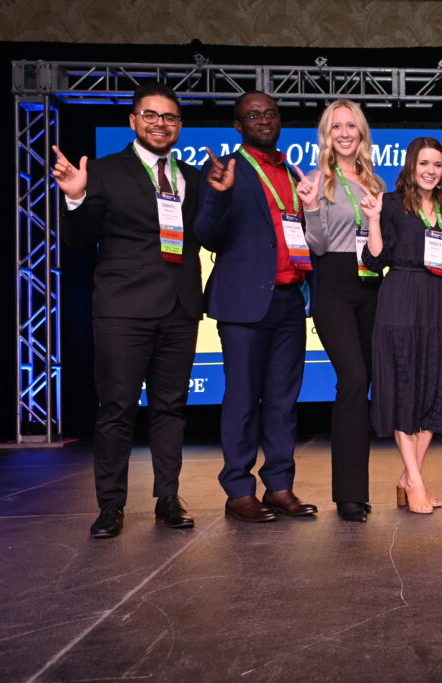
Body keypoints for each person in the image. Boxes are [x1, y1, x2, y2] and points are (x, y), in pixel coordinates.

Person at [54, 83, 202, 538]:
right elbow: (78, 239)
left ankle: (167, 499)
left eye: (170, 117)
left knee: (170, 408)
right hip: (123, 308)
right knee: (117, 409)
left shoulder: (192, 176)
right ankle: (111, 507)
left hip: (179, 306)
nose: (161, 124)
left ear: (179, 126)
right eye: (152, 116)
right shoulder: (102, 171)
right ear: (133, 121)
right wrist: (76, 197)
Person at [195, 91, 318, 522]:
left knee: (284, 401)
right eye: (253, 115)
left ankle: (279, 486)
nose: (263, 120)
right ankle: (239, 490)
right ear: (238, 126)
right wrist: (219, 195)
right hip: (245, 303)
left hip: (289, 300)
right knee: (243, 399)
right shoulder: (225, 170)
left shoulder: (294, 171)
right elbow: (208, 235)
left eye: (269, 113)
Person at [360, 137, 442, 515]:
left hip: (436, 302)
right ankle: (417, 482)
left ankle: (410, 478)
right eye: (424, 163)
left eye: (437, 165)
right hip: (400, 299)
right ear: (410, 165)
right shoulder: (390, 204)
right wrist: (372, 220)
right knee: (404, 388)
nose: (430, 171)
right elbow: (374, 260)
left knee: (433, 390)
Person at [302, 100, 386, 522]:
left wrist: (375, 220)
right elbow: (315, 246)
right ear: (327, 134)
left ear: (361, 132)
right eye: (337, 126)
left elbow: (378, 249)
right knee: (352, 379)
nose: (345, 132)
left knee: (364, 383)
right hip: (333, 283)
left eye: (352, 125)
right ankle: (347, 494)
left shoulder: (376, 182)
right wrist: (313, 207)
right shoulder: (318, 181)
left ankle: (358, 490)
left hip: (371, 282)